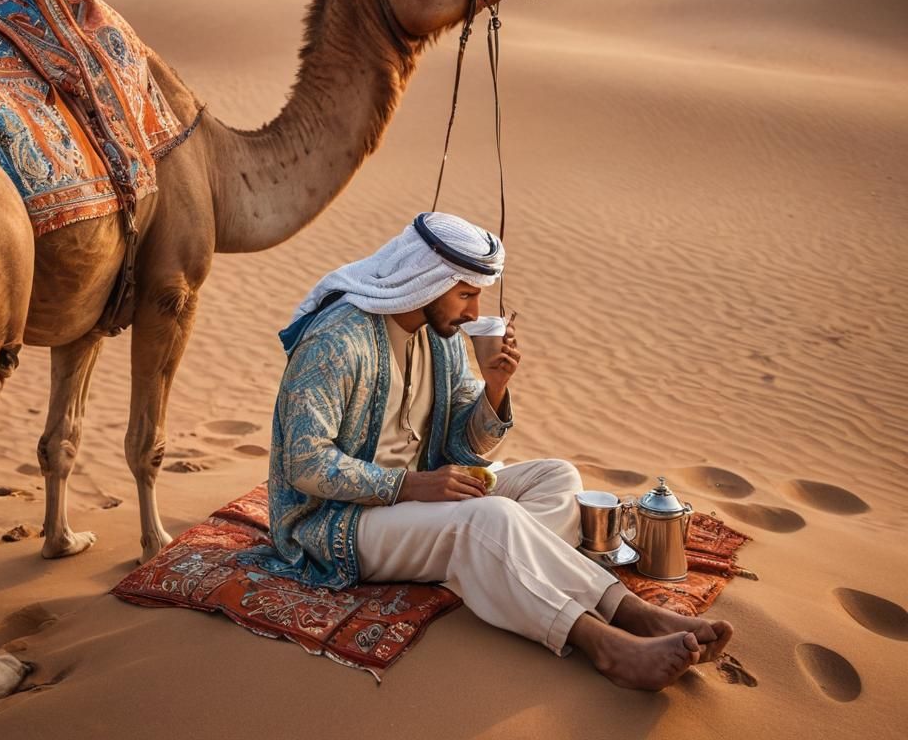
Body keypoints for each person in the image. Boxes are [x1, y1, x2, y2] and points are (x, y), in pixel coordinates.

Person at [258, 212, 732, 690]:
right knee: (493, 519)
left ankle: (484, 566)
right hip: (336, 523)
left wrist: (495, 387)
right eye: (466, 294)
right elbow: (305, 462)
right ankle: (609, 638)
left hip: (426, 497)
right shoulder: (336, 341)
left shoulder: (438, 339)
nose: (472, 311)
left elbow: (464, 445)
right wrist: (411, 485)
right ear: (425, 281)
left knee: (559, 477)